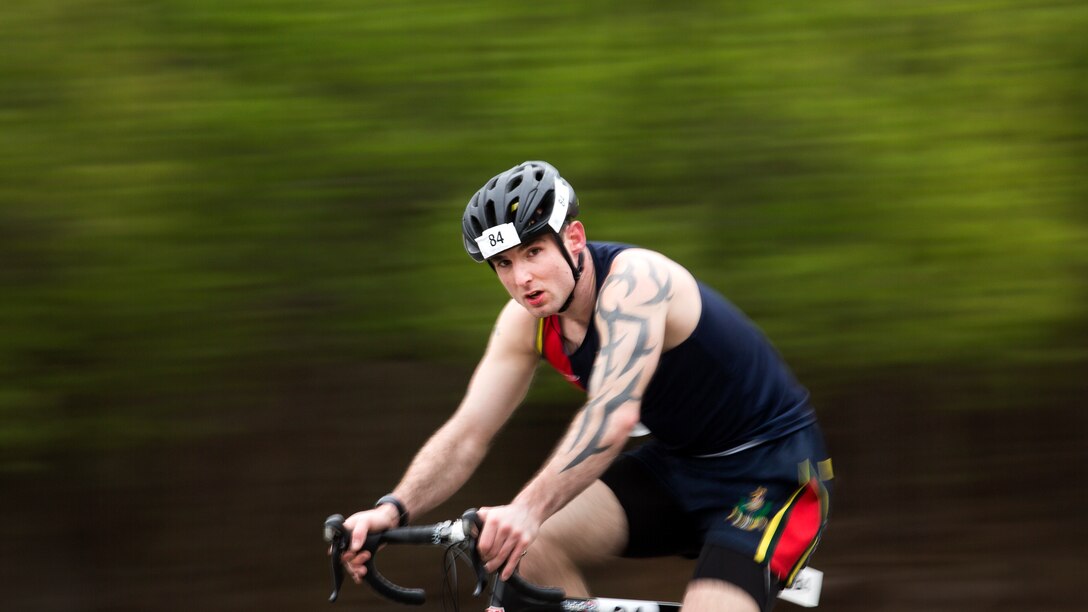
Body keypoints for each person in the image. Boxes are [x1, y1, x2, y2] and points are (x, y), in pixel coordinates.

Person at [340, 161, 832, 612]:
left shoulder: (636, 284)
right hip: (678, 466)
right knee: (524, 550)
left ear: (573, 237)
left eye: (533, 252)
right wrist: (392, 509)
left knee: (528, 526)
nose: (522, 278)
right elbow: (468, 432)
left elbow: (613, 416)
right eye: (504, 265)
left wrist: (526, 509)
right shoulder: (527, 322)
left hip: (771, 473)